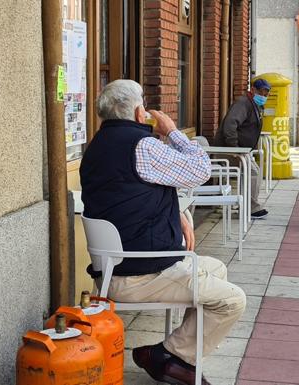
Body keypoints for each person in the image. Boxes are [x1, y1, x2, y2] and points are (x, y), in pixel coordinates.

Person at [80, 79, 246, 385]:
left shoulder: (96, 147)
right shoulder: (142, 145)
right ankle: (167, 355)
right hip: (140, 275)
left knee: (216, 268)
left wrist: (179, 213)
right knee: (232, 300)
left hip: (114, 270)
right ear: (139, 111)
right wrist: (173, 132)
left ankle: (176, 358)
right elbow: (200, 171)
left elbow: (131, 196)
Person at [213, 78, 270, 219]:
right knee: (252, 172)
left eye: (266, 93)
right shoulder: (243, 103)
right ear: (253, 90)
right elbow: (230, 125)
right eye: (261, 92)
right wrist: (234, 148)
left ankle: (247, 206)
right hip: (229, 150)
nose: (264, 96)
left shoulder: (254, 104)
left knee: (253, 171)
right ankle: (249, 208)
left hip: (241, 150)